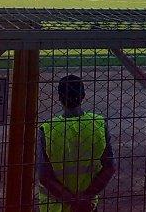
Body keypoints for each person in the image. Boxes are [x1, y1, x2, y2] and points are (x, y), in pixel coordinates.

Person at [37, 75, 115, 212]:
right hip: (88, 205)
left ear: (59, 97)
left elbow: (44, 176)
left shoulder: (48, 129)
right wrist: (85, 198)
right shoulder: (98, 124)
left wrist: (72, 201)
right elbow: (109, 167)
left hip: (55, 206)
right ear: (83, 95)